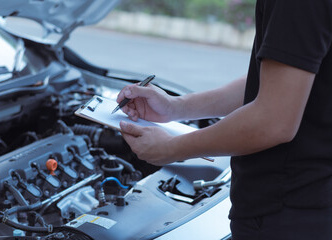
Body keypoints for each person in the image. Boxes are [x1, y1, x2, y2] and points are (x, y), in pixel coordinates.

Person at [116, 0, 332, 239]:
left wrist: (170, 149)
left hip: (290, 213)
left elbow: (272, 121)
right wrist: (176, 107)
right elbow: (277, 84)